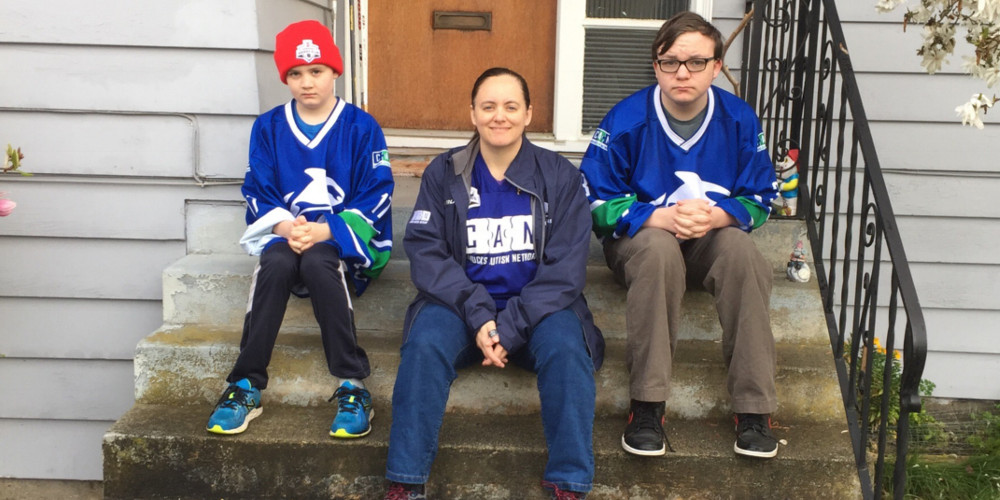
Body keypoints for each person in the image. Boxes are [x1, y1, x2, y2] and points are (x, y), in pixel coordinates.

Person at [383, 68, 603, 500]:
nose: (498, 116)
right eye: (488, 106)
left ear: (528, 114)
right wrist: (481, 315)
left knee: (565, 349)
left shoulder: (559, 175)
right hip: (460, 308)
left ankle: (569, 481)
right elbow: (425, 252)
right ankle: (405, 482)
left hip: (540, 309)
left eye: (510, 106)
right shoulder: (444, 173)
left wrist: (513, 324)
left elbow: (566, 268)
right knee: (425, 344)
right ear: (472, 113)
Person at [579, 11, 781, 459]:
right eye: (670, 62)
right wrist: (660, 218)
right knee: (656, 250)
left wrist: (717, 218)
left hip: (710, 239)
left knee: (743, 253)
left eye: (695, 61)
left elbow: (763, 195)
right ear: (655, 66)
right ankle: (647, 405)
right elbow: (592, 197)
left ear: (716, 66)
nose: (682, 72)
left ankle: (754, 409)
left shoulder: (739, 120)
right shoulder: (626, 118)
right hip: (644, 242)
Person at [206, 20, 393, 439]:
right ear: (285, 78)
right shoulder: (269, 127)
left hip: (337, 242)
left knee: (319, 261)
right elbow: (258, 190)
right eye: (295, 74)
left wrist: (327, 232)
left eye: (317, 71)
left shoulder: (362, 127)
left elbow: (377, 192)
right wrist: (288, 226)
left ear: (335, 72)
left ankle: (352, 383)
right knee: (274, 260)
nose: (307, 83)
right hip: (289, 234)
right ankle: (245, 384)